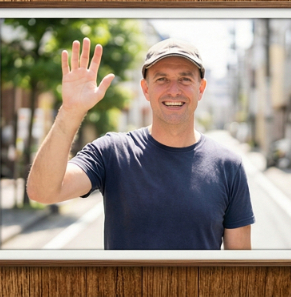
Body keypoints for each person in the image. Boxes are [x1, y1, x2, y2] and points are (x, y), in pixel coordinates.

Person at [25, 38, 254, 250]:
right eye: (161, 79)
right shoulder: (112, 152)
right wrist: (70, 112)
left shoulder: (228, 166)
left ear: (200, 88)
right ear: (145, 89)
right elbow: (42, 192)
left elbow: (239, 268)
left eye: (185, 79)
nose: (174, 90)